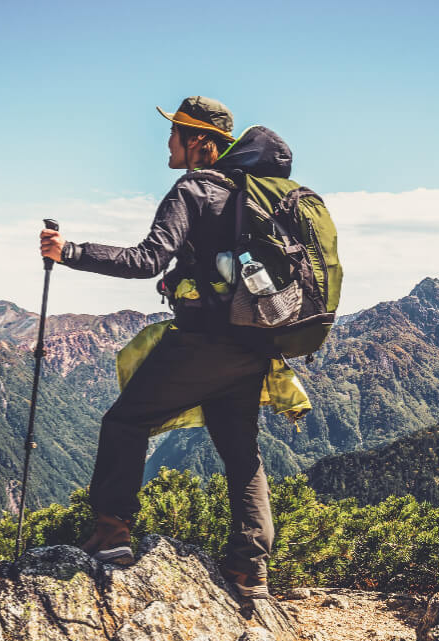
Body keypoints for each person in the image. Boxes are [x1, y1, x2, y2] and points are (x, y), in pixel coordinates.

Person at [40, 96, 294, 598]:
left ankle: (113, 535)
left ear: (198, 140)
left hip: (204, 342)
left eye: (175, 131)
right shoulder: (255, 195)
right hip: (255, 343)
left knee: (125, 421)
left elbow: (146, 259)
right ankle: (250, 569)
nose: (168, 141)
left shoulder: (195, 188)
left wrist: (70, 252)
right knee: (241, 454)